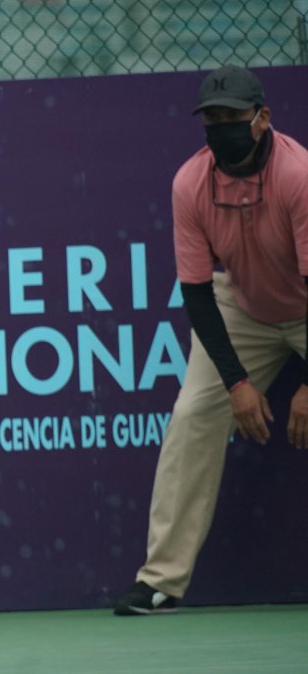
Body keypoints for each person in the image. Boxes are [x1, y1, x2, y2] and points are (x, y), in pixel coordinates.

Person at [113, 64, 308, 616]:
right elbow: (198, 294)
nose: (220, 129)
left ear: (262, 118)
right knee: (194, 413)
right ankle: (161, 581)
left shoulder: (299, 176)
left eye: (232, 118)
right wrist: (237, 384)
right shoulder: (189, 183)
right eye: (212, 120)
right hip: (242, 308)